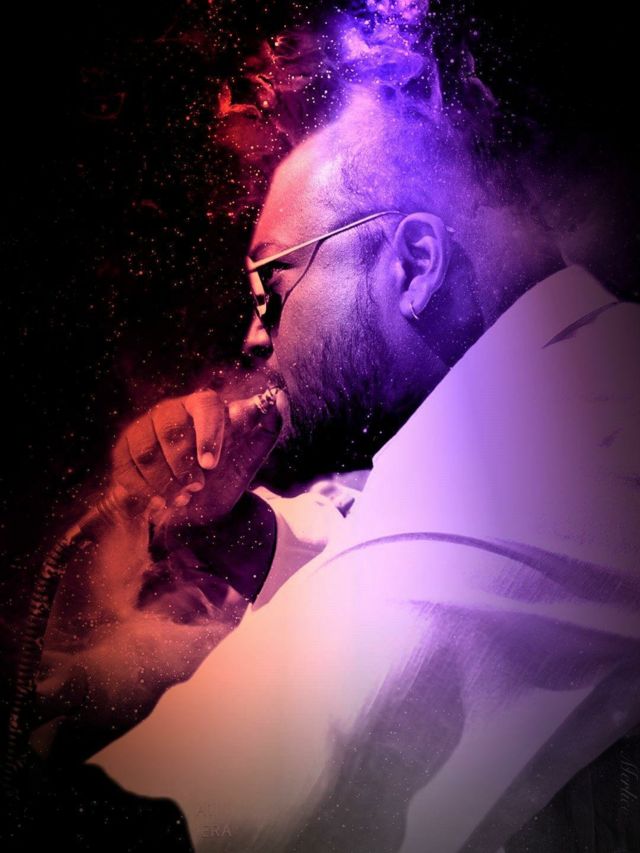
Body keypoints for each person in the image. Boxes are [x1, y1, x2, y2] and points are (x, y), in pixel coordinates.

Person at [31, 87, 640, 852]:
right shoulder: (562, 398)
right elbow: (367, 532)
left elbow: (194, 796)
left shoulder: (559, 434)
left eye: (272, 283)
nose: (254, 335)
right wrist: (230, 527)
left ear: (415, 264)